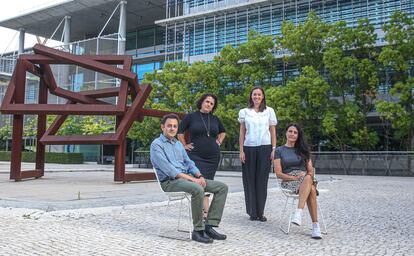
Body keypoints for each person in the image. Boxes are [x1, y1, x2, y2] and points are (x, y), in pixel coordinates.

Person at [150, 114, 228, 244]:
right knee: (197, 188)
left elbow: (189, 163)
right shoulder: (156, 145)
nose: (172, 128)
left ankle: (209, 226)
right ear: (162, 127)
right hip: (170, 182)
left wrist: (199, 176)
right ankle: (198, 231)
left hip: (186, 180)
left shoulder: (178, 144)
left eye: (175, 126)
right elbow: (170, 170)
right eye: (169, 126)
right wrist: (193, 180)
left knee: (222, 187)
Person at [177, 93, 226, 218]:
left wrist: (219, 141)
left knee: (208, 183)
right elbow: (180, 132)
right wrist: (184, 145)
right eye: (207, 101)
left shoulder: (215, 119)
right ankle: (203, 213)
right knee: (200, 182)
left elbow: (223, 132)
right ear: (202, 102)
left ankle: (205, 213)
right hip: (196, 156)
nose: (208, 104)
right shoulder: (191, 117)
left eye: (211, 103)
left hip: (213, 158)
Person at [273, 123, 322, 239]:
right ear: (286, 133)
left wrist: (304, 176)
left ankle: (299, 212)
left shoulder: (303, 150)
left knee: (309, 180)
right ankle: (315, 226)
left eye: (295, 133)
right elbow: (278, 173)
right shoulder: (279, 151)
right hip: (289, 180)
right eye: (290, 131)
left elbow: (311, 171)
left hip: (305, 178)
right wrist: (294, 178)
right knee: (312, 190)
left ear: (298, 136)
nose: (292, 134)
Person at [238, 86, 277, 222]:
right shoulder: (244, 112)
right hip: (249, 148)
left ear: (263, 96)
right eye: (254, 94)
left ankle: (260, 212)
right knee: (249, 180)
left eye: (259, 95)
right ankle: (252, 212)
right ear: (251, 96)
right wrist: (241, 150)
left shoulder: (269, 111)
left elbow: (272, 131)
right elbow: (242, 132)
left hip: (265, 148)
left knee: (262, 180)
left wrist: (273, 148)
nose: (257, 97)